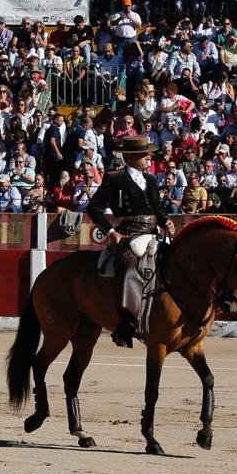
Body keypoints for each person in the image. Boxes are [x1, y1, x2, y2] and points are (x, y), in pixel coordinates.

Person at [88, 135, 174, 348]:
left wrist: (167, 221)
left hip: (153, 233)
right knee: (128, 265)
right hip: (128, 234)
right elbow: (94, 207)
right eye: (145, 155)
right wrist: (111, 232)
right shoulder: (114, 178)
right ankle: (125, 323)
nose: (149, 158)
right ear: (132, 157)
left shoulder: (151, 179)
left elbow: (158, 210)